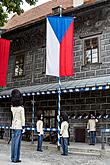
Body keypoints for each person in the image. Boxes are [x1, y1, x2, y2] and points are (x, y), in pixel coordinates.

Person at [11, 89, 25, 163]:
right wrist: (23, 126)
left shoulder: (12, 108)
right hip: (19, 126)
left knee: (13, 142)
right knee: (17, 143)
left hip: (13, 125)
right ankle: (16, 158)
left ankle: (13, 157)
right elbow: (23, 118)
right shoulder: (21, 109)